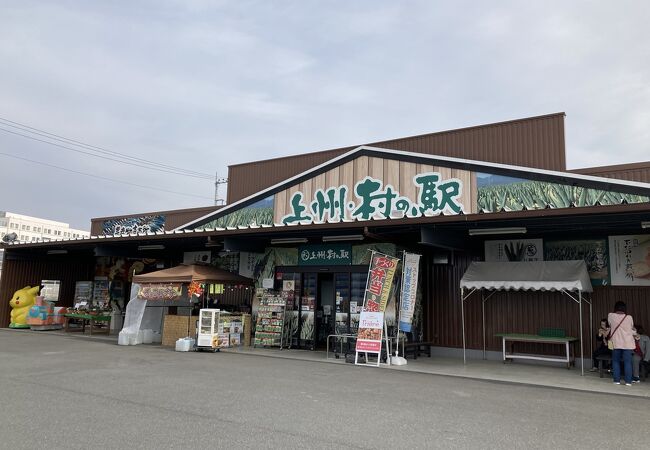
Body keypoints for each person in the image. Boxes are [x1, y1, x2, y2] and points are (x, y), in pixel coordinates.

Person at [607, 301, 636, 386]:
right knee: (628, 362)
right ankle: (628, 382)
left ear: (615, 308)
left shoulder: (611, 316)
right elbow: (631, 328)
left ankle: (616, 380)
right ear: (624, 308)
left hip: (616, 343)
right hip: (627, 343)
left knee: (615, 361)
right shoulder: (629, 317)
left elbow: (610, 324)